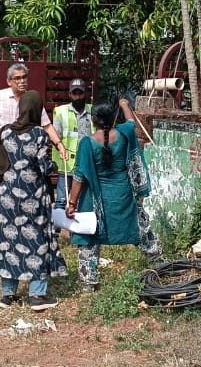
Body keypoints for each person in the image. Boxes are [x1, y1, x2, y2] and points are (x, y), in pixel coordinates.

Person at [64, 96, 162, 291]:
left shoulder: (87, 143)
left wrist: (72, 203)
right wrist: (125, 105)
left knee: (88, 237)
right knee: (141, 229)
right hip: (123, 196)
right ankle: (161, 265)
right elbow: (131, 122)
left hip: (96, 200)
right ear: (112, 118)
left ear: (93, 120)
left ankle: (89, 283)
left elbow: (79, 177)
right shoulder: (124, 134)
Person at [0, 90, 68, 311]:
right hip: (33, 198)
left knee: (8, 242)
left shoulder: (5, 132)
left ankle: (8, 296)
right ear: (36, 109)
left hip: (7, 197)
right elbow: (44, 167)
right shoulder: (39, 135)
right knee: (37, 242)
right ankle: (37, 296)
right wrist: (55, 164)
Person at [0, 62, 65, 248]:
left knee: (21, 192)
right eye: (17, 78)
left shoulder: (31, 100)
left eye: (24, 78)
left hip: (23, 151)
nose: (22, 81)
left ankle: (17, 234)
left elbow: (46, 125)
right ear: (9, 81)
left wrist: (59, 144)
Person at [52, 78, 92, 208]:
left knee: (82, 202)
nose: (78, 97)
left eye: (80, 93)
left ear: (85, 93)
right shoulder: (60, 112)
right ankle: (58, 222)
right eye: (75, 93)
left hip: (86, 163)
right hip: (67, 164)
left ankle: (77, 222)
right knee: (61, 201)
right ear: (70, 94)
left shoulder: (93, 111)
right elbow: (55, 136)